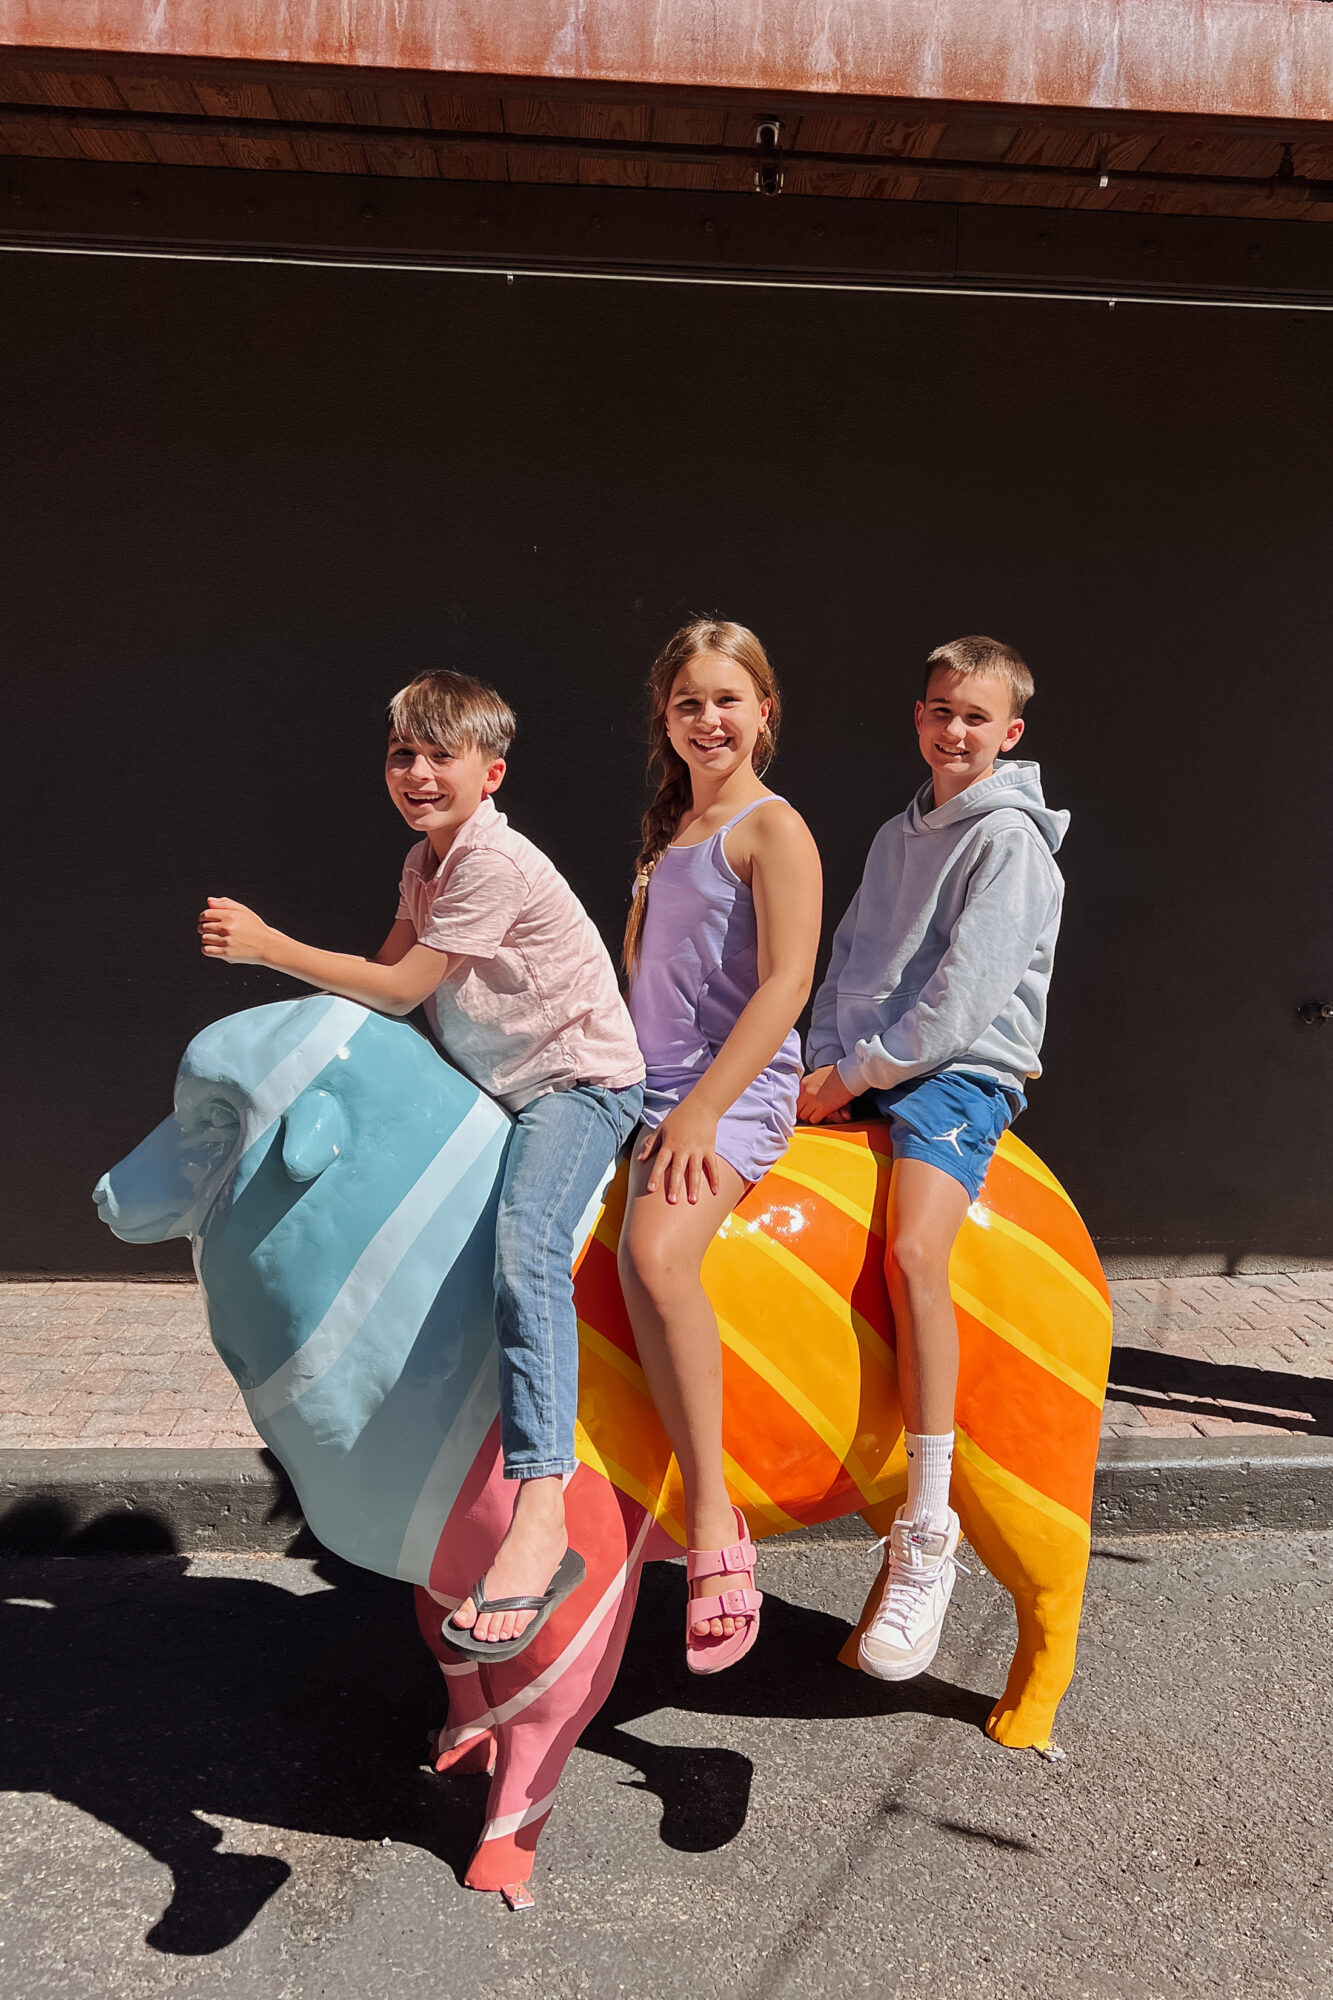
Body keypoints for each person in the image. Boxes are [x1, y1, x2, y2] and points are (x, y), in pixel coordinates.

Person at [198, 670, 645, 1660]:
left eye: (439, 754)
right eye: (402, 752)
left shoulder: (490, 861)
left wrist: (269, 945)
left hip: (571, 1088)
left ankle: (540, 1511)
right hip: (494, 1080)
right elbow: (385, 985)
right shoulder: (426, 860)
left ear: (490, 772)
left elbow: (400, 988)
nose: (416, 770)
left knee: (524, 1248)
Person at [798, 635, 1068, 1682]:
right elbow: (848, 961)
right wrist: (819, 1065)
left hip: (954, 1073)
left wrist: (857, 1072)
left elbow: (960, 1000)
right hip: (860, 1063)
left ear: (1010, 733)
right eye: (938, 710)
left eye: (974, 717)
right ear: (917, 715)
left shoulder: (1011, 843)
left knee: (913, 1252)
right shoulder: (893, 830)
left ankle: (926, 1527)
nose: (953, 730)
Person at [618, 619, 822, 1674]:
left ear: (764, 710)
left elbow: (786, 982)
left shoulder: (770, 827)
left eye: (726, 699)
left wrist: (700, 1109)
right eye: (688, 701)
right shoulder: (669, 828)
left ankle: (713, 1521)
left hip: (725, 1090)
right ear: (666, 715)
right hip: (642, 1086)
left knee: (654, 1253)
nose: (707, 718)